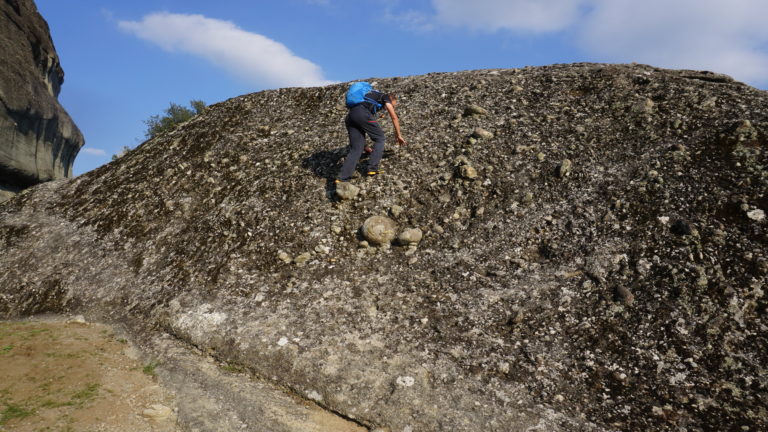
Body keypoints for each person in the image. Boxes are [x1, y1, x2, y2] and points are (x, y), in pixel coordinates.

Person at [336, 89, 407, 183]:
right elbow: (394, 117)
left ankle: (342, 178)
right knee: (380, 138)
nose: (393, 106)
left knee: (356, 149)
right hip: (362, 113)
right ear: (392, 99)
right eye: (394, 104)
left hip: (350, 116)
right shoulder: (385, 97)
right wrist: (398, 135)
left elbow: (361, 124)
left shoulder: (370, 96)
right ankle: (372, 168)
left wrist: (365, 146)